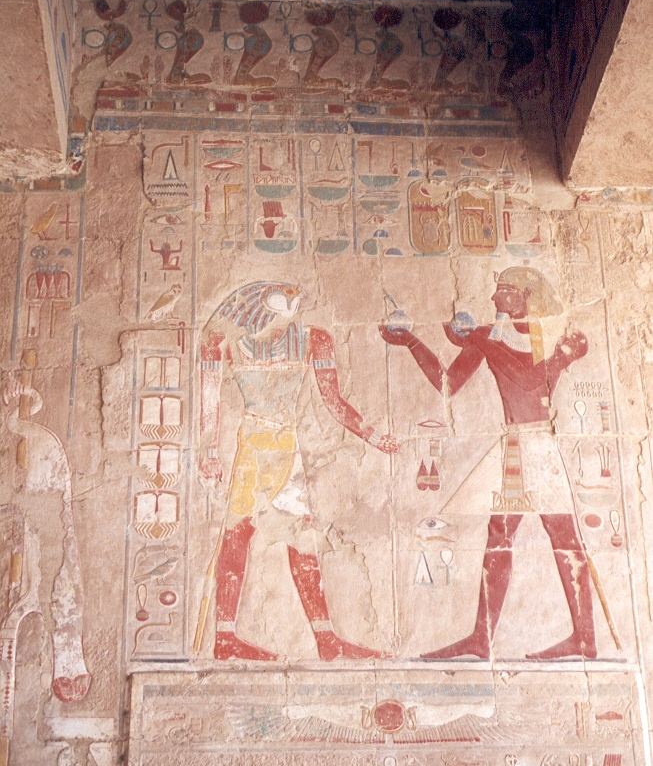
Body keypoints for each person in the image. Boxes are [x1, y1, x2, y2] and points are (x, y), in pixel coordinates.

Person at [380, 266, 597, 660]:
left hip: (538, 447)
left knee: (563, 537)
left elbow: (532, 381)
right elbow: (448, 384)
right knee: (500, 535)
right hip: (516, 446)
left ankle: (583, 638)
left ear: (525, 294)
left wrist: (492, 342)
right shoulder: (495, 337)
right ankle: (482, 638)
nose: (495, 298)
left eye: (504, 290)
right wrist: (411, 341)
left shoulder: (545, 333)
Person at [200, 281, 399, 661]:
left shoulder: (314, 339)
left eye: (295, 303)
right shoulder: (223, 341)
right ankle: (225, 637)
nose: (293, 310)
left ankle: (325, 639)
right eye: (285, 303)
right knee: (239, 533)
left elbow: (333, 401)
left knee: (301, 537)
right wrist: (209, 451)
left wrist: (373, 436)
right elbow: (209, 401)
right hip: (254, 446)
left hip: (284, 447)